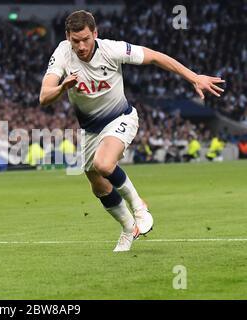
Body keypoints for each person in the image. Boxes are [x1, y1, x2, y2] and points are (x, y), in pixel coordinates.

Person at [39, 10, 225, 252]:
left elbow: (155, 57)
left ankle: (139, 207)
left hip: (120, 117)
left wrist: (192, 77)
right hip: (90, 129)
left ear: (95, 33)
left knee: (104, 165)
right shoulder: (63, 53)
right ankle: (128, 229)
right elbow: (44, 96)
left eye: (86, 39)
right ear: (67, 37)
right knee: (97, 183)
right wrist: (63, 86)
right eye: (76, 41)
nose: (82, 46)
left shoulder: (112, 50)